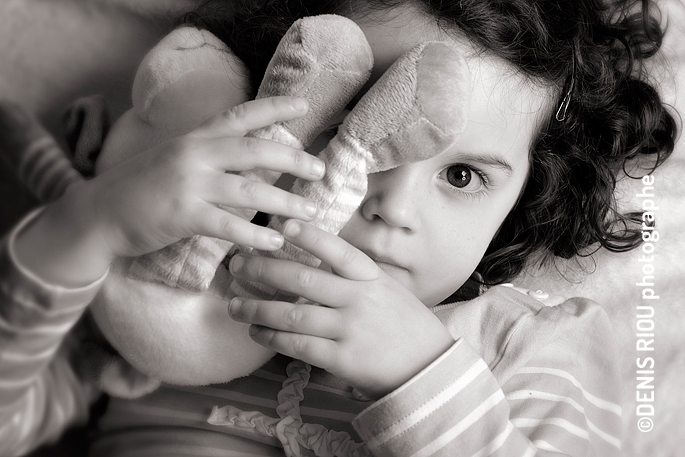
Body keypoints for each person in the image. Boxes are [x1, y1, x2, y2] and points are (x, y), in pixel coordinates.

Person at [0, 0, 677, 456]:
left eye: (463, 177)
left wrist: (419, 374)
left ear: (530, 196)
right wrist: (88, 227)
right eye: (348, 124)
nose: (394, 205)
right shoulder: (167, 295)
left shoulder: (523, 344)